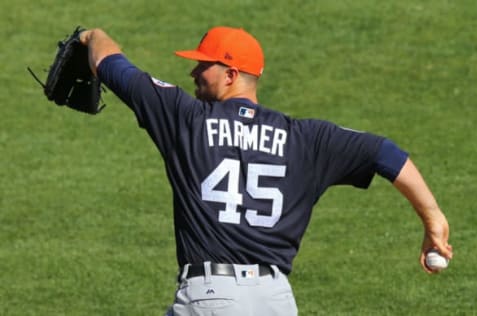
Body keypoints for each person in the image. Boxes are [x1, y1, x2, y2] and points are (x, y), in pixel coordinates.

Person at [79, 26, 453, 315]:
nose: (193, 71)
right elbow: (385, 153)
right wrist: (433, 218)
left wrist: (90, 35)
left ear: (231, 74)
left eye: (203, 64)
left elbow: (110, 62)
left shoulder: (184, 118)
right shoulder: (306, 139)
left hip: (212, 297)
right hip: (275, 301)